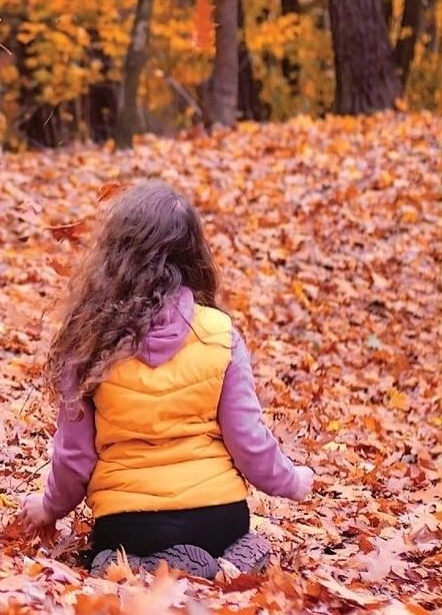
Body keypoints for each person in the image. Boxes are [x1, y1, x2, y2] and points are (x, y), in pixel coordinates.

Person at [20, 181, 314, 578]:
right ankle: (234, 558)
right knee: (239, 542)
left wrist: (49, 506)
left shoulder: (91, 339)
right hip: (219, 514)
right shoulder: (218, 333)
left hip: (130, 521)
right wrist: (291, 480)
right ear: (194, 254)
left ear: (113, 257)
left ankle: (135, 564)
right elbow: (247, 439)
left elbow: (75, 460)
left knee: (113, 557)